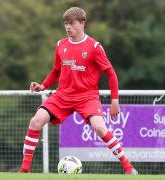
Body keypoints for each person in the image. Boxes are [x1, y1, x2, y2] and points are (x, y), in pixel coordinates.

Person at [19, 7, 138, 175]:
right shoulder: (61, 45)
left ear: (82, 23)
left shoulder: (95, 47)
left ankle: (128, 168)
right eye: (66, 24)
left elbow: (111, 74)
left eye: (72, 23)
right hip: (63, 95)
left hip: (87, 97)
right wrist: (43, 86)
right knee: (35, 121)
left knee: (99, 127)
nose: (68, 27)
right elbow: (55, 70)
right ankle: (24, 172)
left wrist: (114, 100)